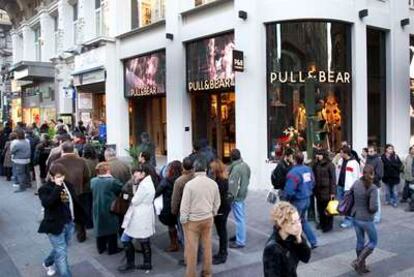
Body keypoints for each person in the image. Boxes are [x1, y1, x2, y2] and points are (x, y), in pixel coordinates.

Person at [38, 163, 86, 277]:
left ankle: (48, 262)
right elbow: (48, 203)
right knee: (62, 253)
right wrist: (58, 187)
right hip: (54, 225)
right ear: (51, 176)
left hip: (69, 223)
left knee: (61, 248)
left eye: (62, 176)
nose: (61, 179)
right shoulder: (44, 189)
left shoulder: (68, 185)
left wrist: (77, 218)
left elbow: (71, 202)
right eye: (58, 176)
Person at [180, 158, 221, 277]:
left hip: (192, 221)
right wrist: (213, 212)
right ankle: (207, 273)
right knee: (207, 247)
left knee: (192, 250)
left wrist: (184, 218)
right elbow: (217, 202)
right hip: (208, 218)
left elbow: (185, 205)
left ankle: (191, 274)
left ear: (194, 169)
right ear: (206, 170)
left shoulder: (189, 185)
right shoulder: (213, 183)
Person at [118, 164, 156, 273]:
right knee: (144, 239)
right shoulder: (148, 182)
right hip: (145, 214)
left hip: (139, 215)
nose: (134, 174)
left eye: (137, 172)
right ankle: (147, 264)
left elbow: (135, 200)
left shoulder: (143, 185)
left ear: (143, 173)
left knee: (125, 238)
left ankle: (130, 264)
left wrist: (134, 186)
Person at [54, 142, 90, 242]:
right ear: (73, 149)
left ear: (62, 150)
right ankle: (81, 235)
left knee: (65, 212)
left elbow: (53, 178)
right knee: (79, 213)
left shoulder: (57, 162)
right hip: (79, 191)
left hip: (63, 192)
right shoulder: (81, 161)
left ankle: (65, 235)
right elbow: (87, 175)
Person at [262, 201, 311, 277]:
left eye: (298, 220)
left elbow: (306, 258)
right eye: (293, 223)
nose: (298, 225)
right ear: (281, 223)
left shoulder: (293, 236)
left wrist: (299, 238)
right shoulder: (272, 248)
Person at [284, 152, 318, 248]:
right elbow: (313, 182)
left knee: (293, 222)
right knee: (302, 220)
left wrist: (286, 200)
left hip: (298, 200)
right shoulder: (308, 169)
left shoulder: (293, 173)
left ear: (294, 160)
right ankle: (313, 241)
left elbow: (289, 191)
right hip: (307, 198)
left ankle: (294, 243)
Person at [350, 165, 379, 274]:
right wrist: (374, 210)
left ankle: (361, 266)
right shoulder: (372, 187)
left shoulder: (356, 183)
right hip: (366, 219)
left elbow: (350, 196)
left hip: (355, 216)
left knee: (360, 241)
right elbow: (373, 207)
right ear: (372, 174)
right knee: (373, 241)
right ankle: (358, 261)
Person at [90, 162, 123, 255]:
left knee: (99, 227)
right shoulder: (112, 181)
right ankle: (112, 249)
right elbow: (120, 188)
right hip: (109, 207)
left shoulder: (93, 181)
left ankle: (101, 247)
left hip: (97, 207)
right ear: (107, 170)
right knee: (111, 228)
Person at [171, 157, 195, 265]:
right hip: (196, 210)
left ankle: (189, 259)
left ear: (183, 167)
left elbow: (175, 199)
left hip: (184, 211)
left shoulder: (179, 181)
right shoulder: (196, 177)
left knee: (186, 237)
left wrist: (174, 211)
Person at [155, 160, 183, 252]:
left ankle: (173, 244)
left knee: (171, 226)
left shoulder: (166, 180)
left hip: (169, 206)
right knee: (181, 225)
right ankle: (181, 239)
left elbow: (157, 192)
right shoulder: (183, 179)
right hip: (181, 206)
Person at [209, 159, 232, 264]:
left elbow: (216, 196)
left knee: (222, 231)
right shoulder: (222, 178)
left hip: (221, 209)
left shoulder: (220, 181)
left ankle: (223, 254)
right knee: (221, 231)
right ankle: (222, 252)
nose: (210, 171)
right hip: (223, 207)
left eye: (212, 169)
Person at [228, 149, 251, 249]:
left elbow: (233, 185)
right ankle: (239, 235)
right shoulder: (245, 165)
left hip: (237, 197)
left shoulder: (236, 169)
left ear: (231, 158)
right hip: (243, 193)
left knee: (239, 218)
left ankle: (240, 241)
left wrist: (230, 196)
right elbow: (248, 177)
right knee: (240, 217)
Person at [336, 145, 360, 228]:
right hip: (340, 185)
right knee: (342, 203)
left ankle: (348, 220)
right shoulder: (340, 161)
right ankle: (348, 218)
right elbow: (337, 171)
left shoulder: (354, 163)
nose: (340, 154)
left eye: (341, 152)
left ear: (346, 153)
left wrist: (353, 188)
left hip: (349, 187)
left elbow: (357, 176)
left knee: (348, 204)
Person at [312, 149, 336, 233]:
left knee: (328, 209)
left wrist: (332, 192)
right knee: (320, 209)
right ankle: (322, 223)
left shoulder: (330, 165)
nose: (317, 156)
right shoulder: (316, 164)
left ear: (323, 155)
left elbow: (333, 180)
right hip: (318, 191)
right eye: (317, 154)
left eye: (319, 154)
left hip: (327, 191)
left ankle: (328, 226)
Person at [365, 146, 383, 223]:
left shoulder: (378, 160)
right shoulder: (368, 159)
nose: (369, 153)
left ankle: (377, 217)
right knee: (369, 201)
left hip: (375, 184)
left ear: (375, 151)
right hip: (367, 184)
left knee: (376, 202)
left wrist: (370, 178)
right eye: (369, 151)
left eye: (371, 151)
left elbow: (379, 175)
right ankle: (371, 216)